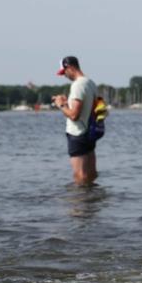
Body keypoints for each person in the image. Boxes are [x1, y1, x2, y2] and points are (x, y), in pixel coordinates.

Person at [52, 56, 98, 186]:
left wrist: (61, 104)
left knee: (80, 175)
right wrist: (67, 103)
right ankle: (92, 196)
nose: (64, 76)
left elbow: (74, 116)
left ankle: (80, 198)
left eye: (64, 72)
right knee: (91, 173)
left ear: (70, 67)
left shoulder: (78, 85)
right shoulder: (90, 83)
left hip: (77, 134)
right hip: (90, 133)